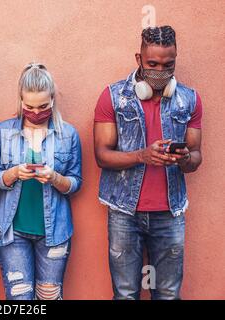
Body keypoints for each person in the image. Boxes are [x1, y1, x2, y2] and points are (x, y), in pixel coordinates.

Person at [94, 26, 203, 300]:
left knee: (167, 294)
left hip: (170, 213)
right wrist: (142, 155)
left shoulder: (189, 100)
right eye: (152, 64)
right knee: (125, 294)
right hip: (124, 212)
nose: (160, 71)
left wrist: (185, 158)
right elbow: (101, 155)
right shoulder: (113, 97)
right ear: (138, 59)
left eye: (168, 65)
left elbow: (196, 157)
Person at [0, 63, 82, 300]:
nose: (36, 111)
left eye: (43, 106)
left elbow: (75, 182)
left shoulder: (68, 134)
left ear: (52, 99)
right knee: (20, 300)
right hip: (13, 230)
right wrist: (14, 174)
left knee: (49, 297)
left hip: (55, 231)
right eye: (29, 106)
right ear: (20, 100)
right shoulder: (3, 131)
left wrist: (54, 178)